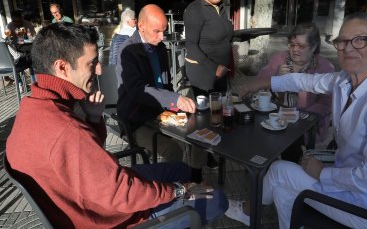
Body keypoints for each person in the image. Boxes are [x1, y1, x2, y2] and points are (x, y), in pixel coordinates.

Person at [6, 22, 228, 228]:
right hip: (109, 217)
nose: (100, 71)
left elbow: (87, 158)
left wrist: (93, 119)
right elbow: (121, 193)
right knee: (217, 200)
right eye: (92, 63)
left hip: (89, 198)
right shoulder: (65, 128)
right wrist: (179, 191)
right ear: (62, 67)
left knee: (182, 169)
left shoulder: (32, 106)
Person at [225, 12, 367, 228]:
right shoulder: (344, 79)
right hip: (350, 186)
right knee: (281, 188)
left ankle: (247, 213)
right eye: (341, 41)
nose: (348, 47)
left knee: (278, 172)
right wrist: (256, 84)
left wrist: (323, 172)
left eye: (360, 40)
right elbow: (304, 81)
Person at [116, 4, 206, 182]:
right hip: (135, 120)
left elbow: (166, 85)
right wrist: (175, 99)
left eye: (164, 31)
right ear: (141, 26)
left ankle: (195, 181)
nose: (162, 37)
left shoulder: (160, 48)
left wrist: (177, 103)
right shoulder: (127, 51)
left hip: (160, 113)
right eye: (156, 31)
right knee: (172, 150)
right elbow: (138, 90)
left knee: (199, 133)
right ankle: (170, 193)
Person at [257, 23, 335, 152]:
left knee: (291, 146)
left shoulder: (324, 67)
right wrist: (276, 76)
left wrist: (301, 117)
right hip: (274, 116)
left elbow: (326, 103)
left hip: (304, 124)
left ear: (314, 46)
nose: (295, 49)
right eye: (292, 44)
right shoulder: (280, 58)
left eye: (301, 46)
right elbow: (259, 81)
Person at [184, 0, 234, 97]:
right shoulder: (195, 10)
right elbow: (191, 46)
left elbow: (222, 35)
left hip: (221, 71)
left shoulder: (220, 8)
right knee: (207, 114)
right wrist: (215, 68)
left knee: (220, 111)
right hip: (203, 72)